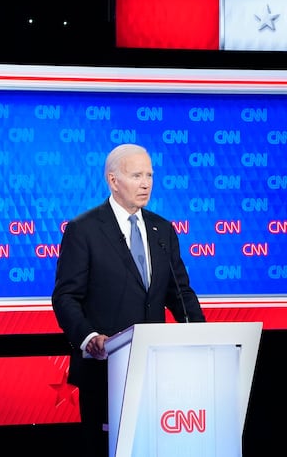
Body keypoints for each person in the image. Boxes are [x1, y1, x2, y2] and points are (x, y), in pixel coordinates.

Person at [51, 143, 206, 457]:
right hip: (105, 372)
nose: (146, 183)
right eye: (137, 176)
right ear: (113, 180)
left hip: (156, 370)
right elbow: (66, 297)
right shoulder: (84, 229)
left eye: (149, 175)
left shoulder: (162, 229)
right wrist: (90, 338)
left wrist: (203, 336)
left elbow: (180, 293)